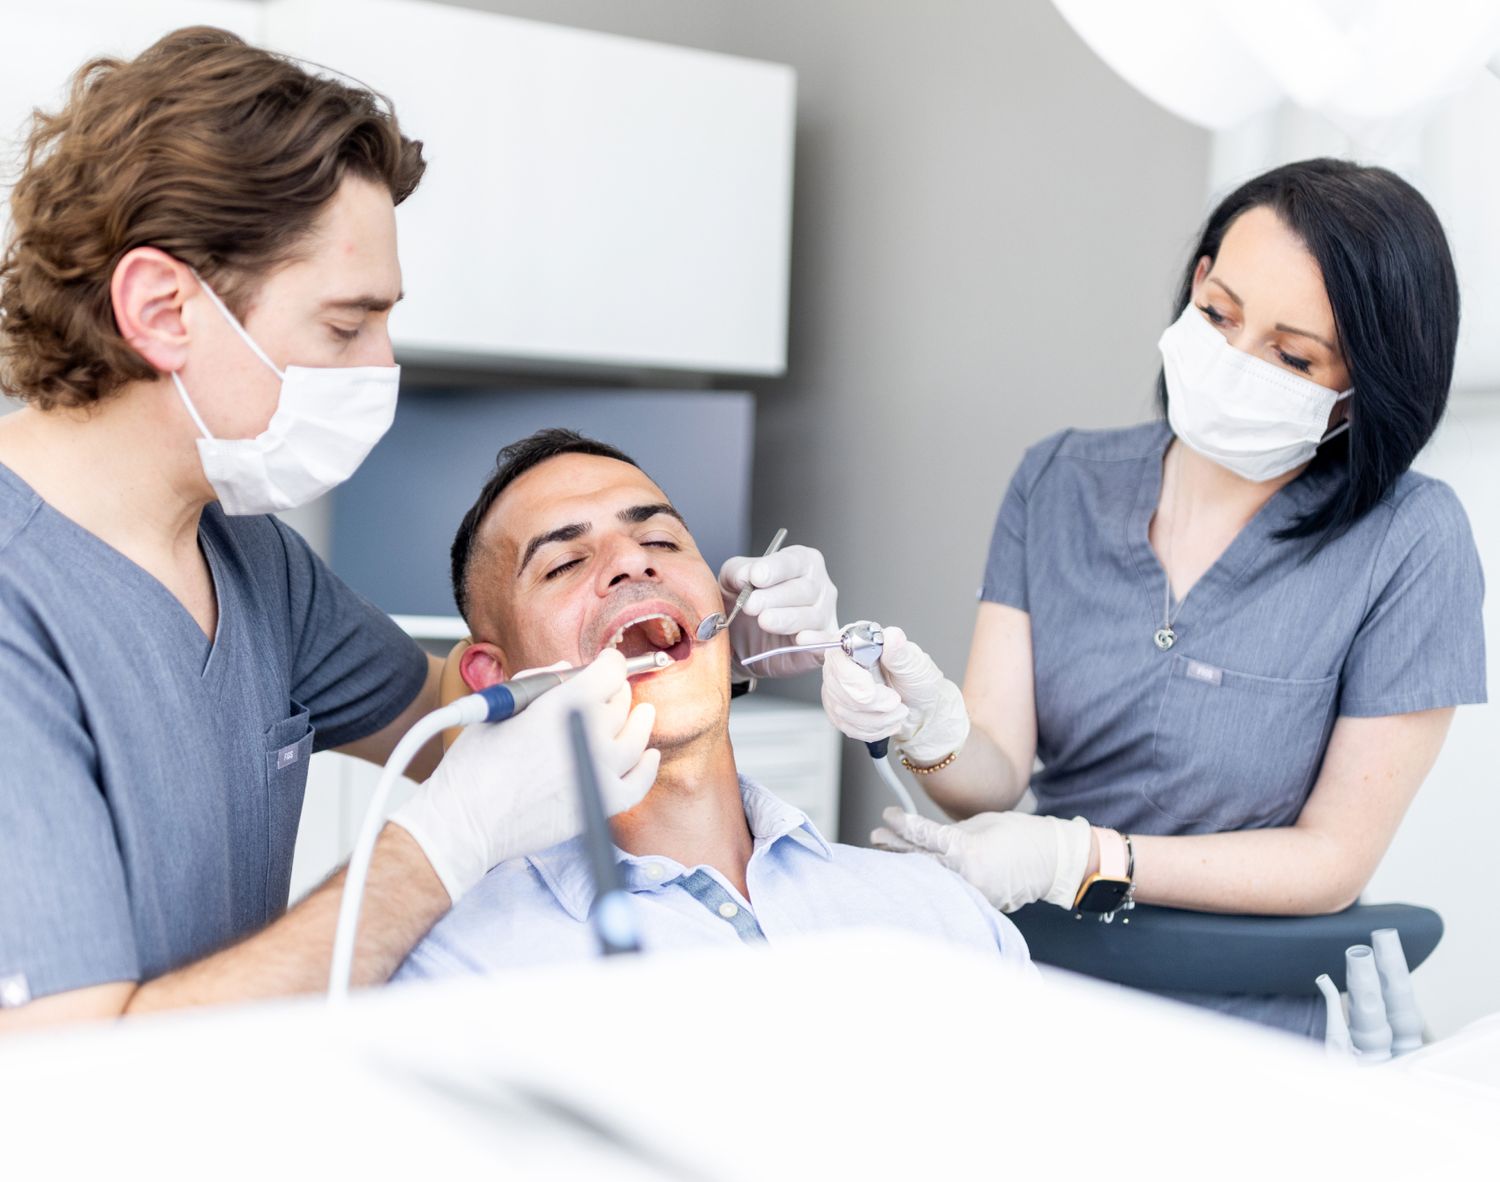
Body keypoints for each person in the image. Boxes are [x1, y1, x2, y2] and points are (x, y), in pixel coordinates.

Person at [0, 29, 834, 1030]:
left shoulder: (252, 561)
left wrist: (700, 635)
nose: (377, 371)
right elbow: (66, 1078)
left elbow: (458, 709)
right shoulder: (21, 609)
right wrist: (439, 846)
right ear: (161, 308)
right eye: (344, 328)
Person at [821, 159, 1485, 1036]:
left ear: (1364, 390)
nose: (1235, 359)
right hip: (1035, 992)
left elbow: (1331, 858)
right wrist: (925, 724)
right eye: (1219, 314)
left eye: (1292, 356)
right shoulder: (1058, 482)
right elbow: (990, 783)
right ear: (1199, 280)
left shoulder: (1410, 540)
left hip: (1243, 1028)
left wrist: (1083, 855)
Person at [393, 429, 1032, 979]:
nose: (632, 562)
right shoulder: (464, 967)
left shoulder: (942, 917)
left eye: (663, 541)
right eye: (565, 561)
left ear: (724, 611)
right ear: (494, 677)